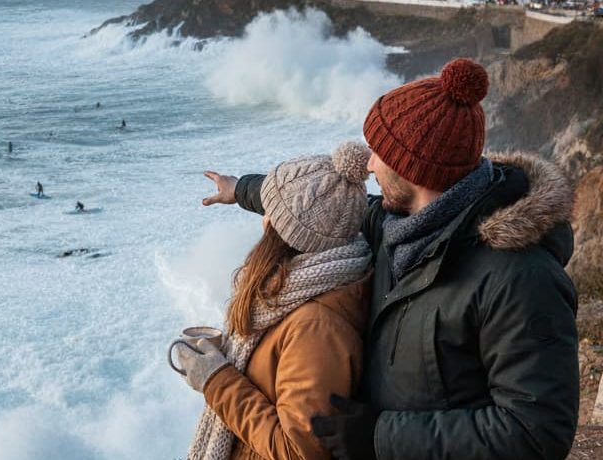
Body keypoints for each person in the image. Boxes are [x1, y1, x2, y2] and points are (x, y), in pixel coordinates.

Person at [201, 58, 579, 460]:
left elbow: (537, 434)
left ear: (413, 170)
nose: (369, 164)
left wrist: (381, 437)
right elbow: (314, 209)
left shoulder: (520, 278)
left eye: (379, 152)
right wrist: (241, 190)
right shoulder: (396, 227)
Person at [174, 142, 374, 460]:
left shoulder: (318, 328)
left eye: (269, 209)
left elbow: (296, 451)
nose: (264, 217)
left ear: (281, 230)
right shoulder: (296, 292)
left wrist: (217, 379)